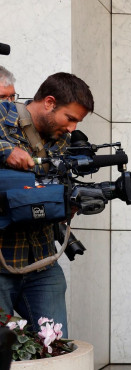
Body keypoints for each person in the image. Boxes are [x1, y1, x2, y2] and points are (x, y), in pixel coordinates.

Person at [0, 72, 94, 337]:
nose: (72, 128)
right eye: (70, 118)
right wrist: (5, 151)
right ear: (50, 102)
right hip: (1, 261)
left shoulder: (62, 138)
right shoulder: (2, 114)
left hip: (42, 262)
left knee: (56, 347)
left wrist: (66, 204)